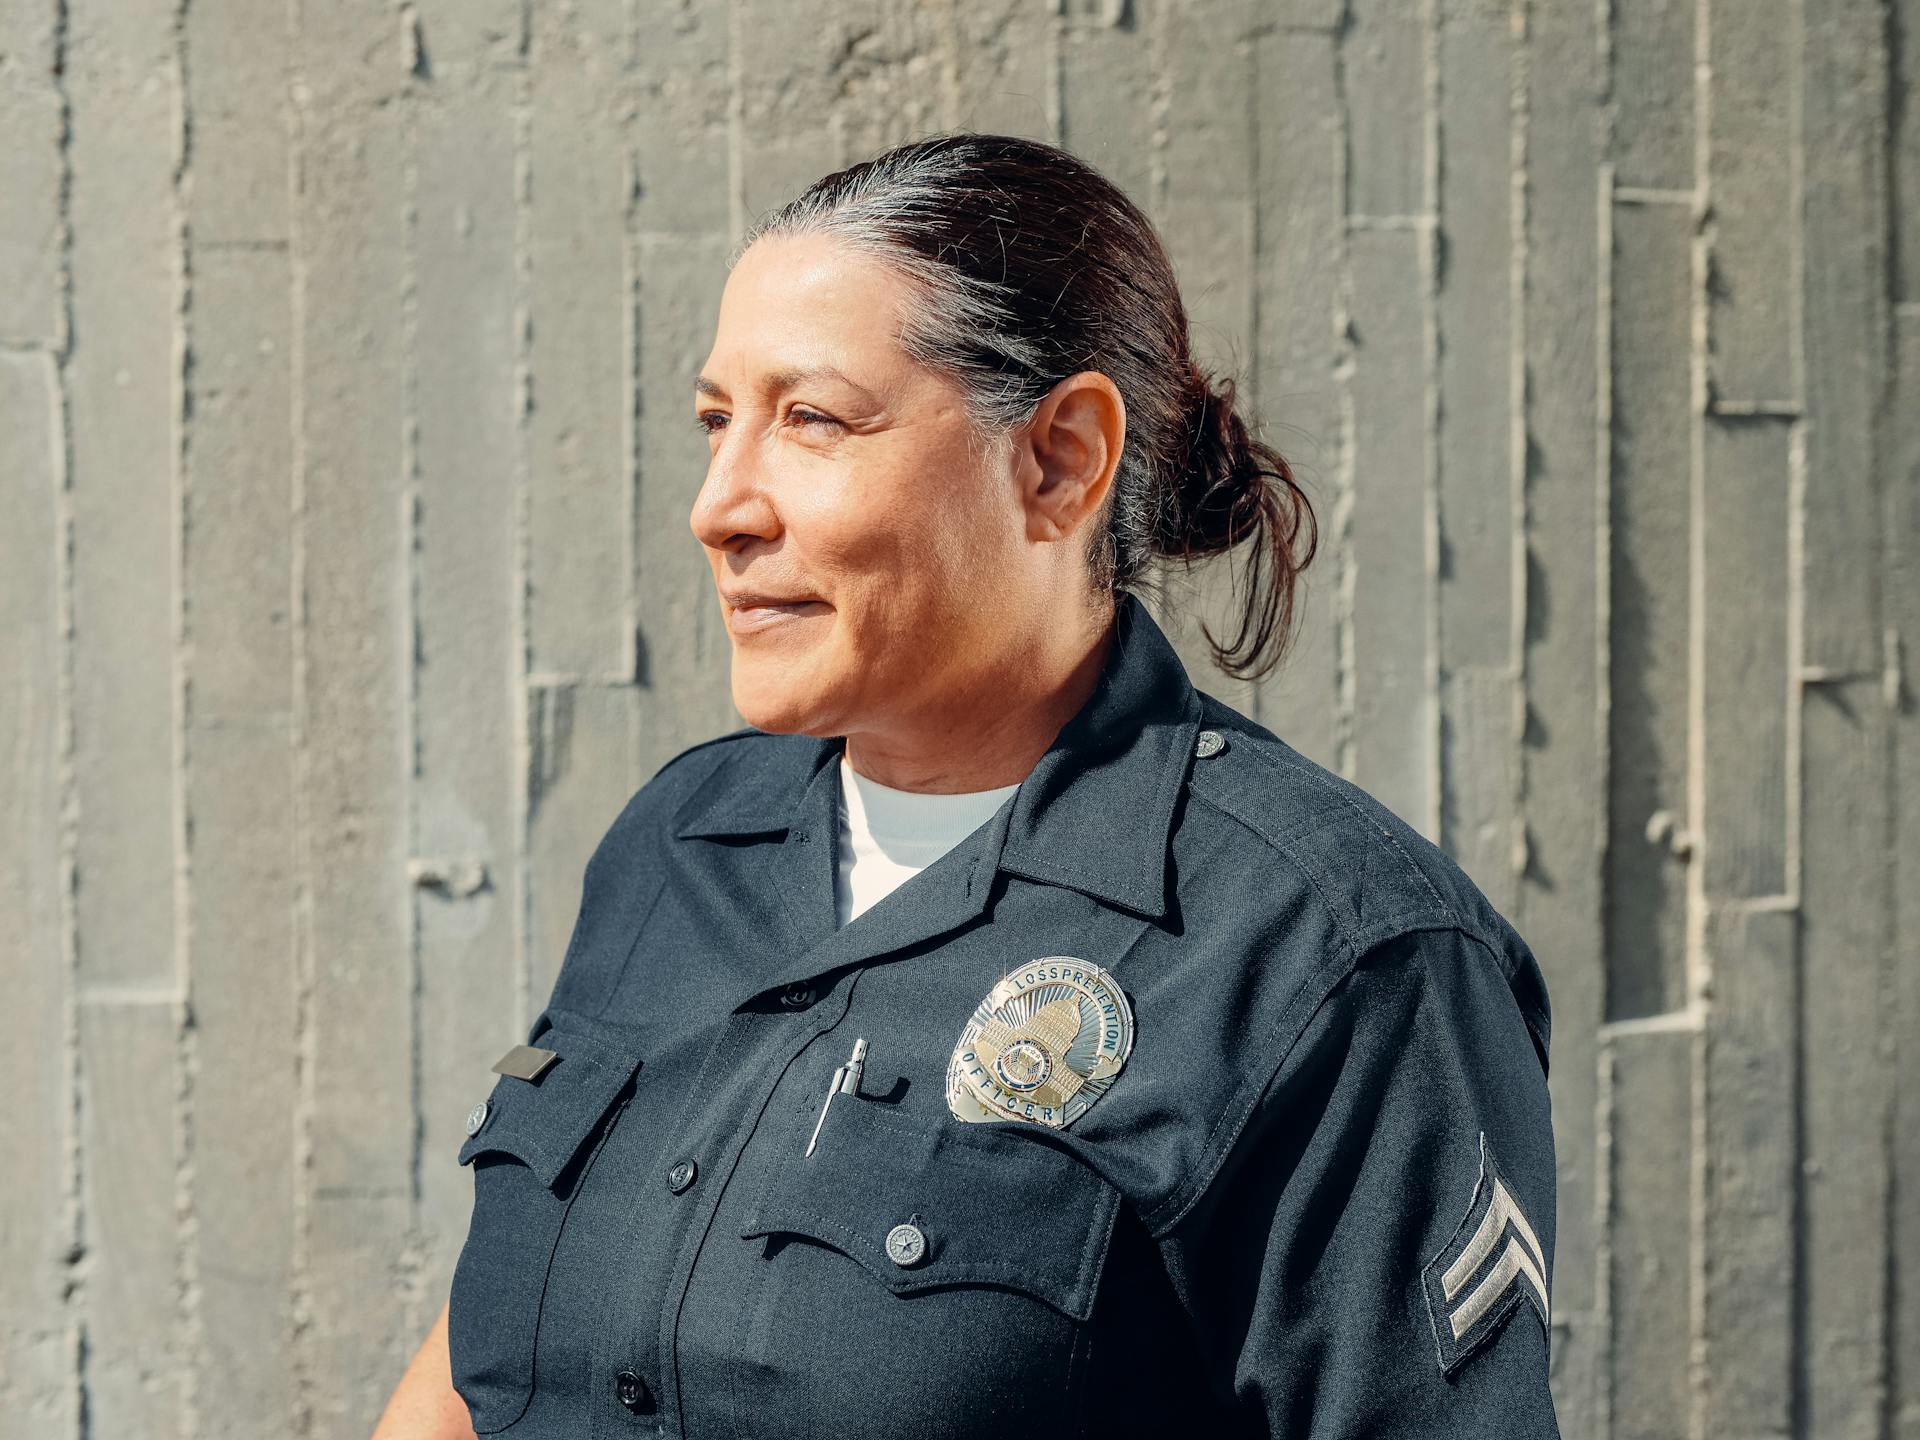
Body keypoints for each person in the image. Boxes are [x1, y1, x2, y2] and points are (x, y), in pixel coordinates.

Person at [371, 131, 1560, 1439]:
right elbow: (482, 1365)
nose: (722, 503)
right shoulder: (682, 839)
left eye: (812, 419)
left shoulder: (1331, 957)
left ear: (1058, 460)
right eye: (720, 421)